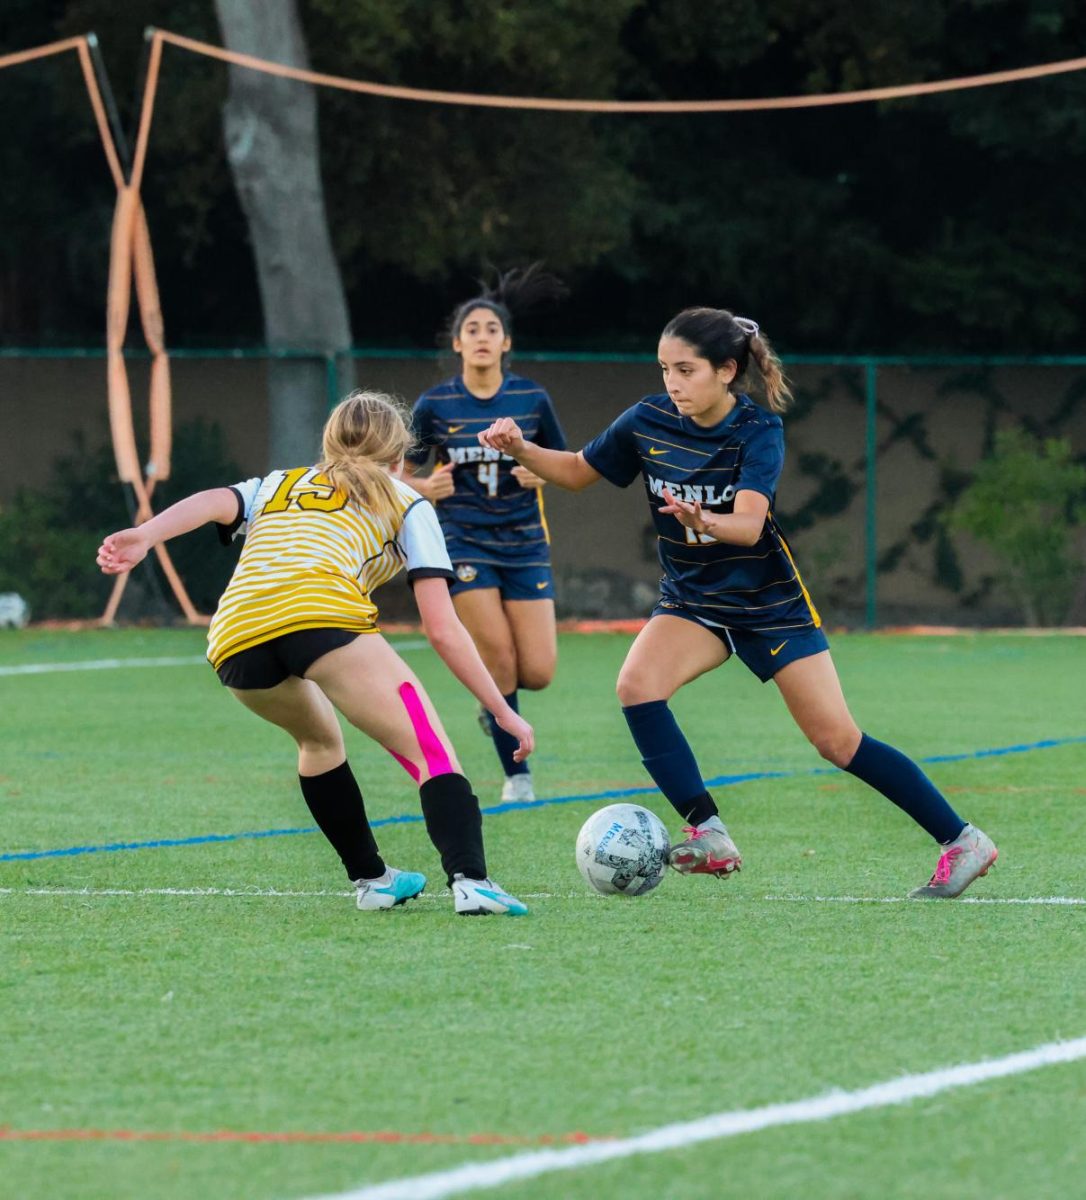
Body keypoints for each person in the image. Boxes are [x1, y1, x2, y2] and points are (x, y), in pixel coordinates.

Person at [479, 307, 999, 900]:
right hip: (693, 600)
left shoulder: (758, 429)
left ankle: (962, 840)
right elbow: (575, 472)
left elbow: (750, 526)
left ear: (726, 370)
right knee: (637, 687)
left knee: (839, 742)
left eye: (685, 369)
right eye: (664, 369)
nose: (671, 382)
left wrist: (706, 519)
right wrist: (520, 447)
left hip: (768, 603)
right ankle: (708, 830)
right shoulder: (646, 420)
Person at [96, 390, 532, 916]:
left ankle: (372, 880)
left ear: (329, 444)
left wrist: (145, 535)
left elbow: (214, 500)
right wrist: (503, 710)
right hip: (320, 619)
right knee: (432, 755)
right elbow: (442, 629)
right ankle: (472, 882)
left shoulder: (278, 483)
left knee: (319, 742)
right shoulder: (406, 500)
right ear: (400, 458)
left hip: (234, 639)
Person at [403, 265, 567, 806]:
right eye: (471, 329)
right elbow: (396, 474)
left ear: (506, 343)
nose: (481, 337)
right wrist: (426, 487)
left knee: (537, 672)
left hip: (524, 543)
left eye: (490, 330)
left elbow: (565, 463)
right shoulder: (435, 404)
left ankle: (490, 706)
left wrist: (538, 470)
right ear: (457, 343)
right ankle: (517, 777)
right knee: (498, 661)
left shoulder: (532, 399)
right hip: (464, 542)